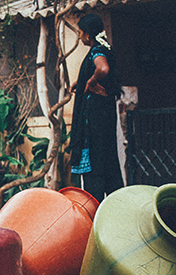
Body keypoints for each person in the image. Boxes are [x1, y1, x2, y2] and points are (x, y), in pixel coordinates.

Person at [68, 13, 124, 201]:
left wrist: (91, 81)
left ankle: (95, 208)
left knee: (96, 161)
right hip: (104, 116)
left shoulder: (96, 51)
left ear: (88, 34)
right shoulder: (106, 49)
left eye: (80, 32)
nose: (79, 36)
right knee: (108, 159)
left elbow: (103, 69)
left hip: (94, 120)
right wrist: (81, 81)